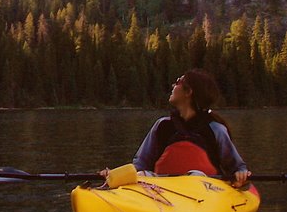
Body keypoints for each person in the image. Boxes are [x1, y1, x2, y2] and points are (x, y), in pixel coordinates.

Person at [105, 69, 252, 187]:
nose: (173, 86)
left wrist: (240, 174)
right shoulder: (162, 126)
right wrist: (116, 175)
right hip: (161, 188)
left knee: (195, 175)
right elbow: (140, 165)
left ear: (188, 92)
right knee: (142, 174)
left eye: (178, 82)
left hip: (202, 189)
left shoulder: (215, 129)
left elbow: (237, 167)